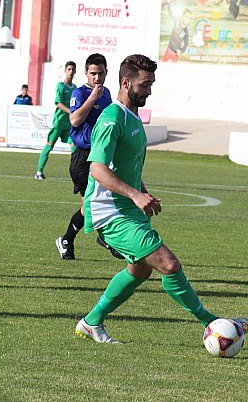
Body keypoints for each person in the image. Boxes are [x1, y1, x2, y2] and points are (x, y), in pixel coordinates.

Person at [74, 54, 241, 343]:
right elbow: (98, 170)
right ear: (126, 83)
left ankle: (91, 322)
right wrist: (136, 194)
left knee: (139, 270)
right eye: (145, 84)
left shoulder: (132, 116)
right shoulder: (112, 119)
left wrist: (143, 191)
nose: (149, 90)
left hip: (128, 208)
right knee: (168, 264)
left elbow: (127, 165)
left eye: (151, 84)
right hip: (110, 211)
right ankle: (213, 323)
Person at [56, 53, 119, 261]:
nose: (97, 78)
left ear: (106, 72)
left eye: (101, 73)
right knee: (93, 204)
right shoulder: (80, 93)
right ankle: (103, 238)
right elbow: (74, 120)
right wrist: (92, 98)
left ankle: (67, 239)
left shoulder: (108, 93)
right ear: (86, 73)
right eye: (93, 74)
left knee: (94, 204)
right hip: (83, 157)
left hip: (100, 155)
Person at [35, 62, 77, 180]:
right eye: (69, 69)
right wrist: (70, 112)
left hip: (69, 123)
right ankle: (39, 171)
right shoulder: (61, 86)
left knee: (75, 147)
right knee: (49, 145)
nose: (71, 71)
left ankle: (78, 173)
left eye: (73, 69)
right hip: (58, 122)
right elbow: (58, 103)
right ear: (65, 71)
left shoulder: (74, 88)